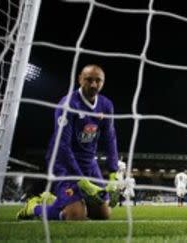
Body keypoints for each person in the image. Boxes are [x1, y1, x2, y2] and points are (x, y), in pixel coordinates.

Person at [17, 64, 119, 220]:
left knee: (103, 215)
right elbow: (63, 146)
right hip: (63, 162)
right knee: (75, 216)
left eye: (98, 80)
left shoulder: (106, 105)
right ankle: (34, 207)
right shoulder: (68, 104)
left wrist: (113, 174)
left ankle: (54, 200)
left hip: (88, 162)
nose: (93, 84)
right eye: (88, 80)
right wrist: (81, 181)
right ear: (79, 79)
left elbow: (110, 139)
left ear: (103, 82)